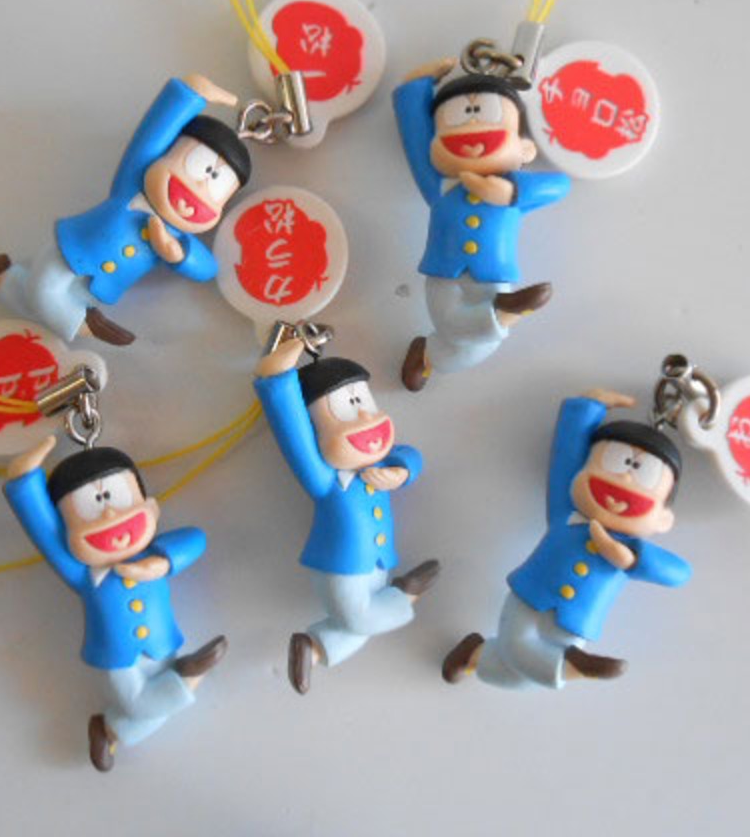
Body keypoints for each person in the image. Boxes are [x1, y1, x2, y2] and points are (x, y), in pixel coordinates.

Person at [0, 74, 250, 345]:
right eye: (199, 168)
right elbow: (153, 132)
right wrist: (191, 92)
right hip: (73, 250)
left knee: (37, 306)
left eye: (217, 187)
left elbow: (208, 268)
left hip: (101, 285)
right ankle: (84, 323)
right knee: (44, 290)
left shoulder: (177, 237)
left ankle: (1, 276)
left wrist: (177, 253)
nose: (196, 190)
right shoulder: (134, 183)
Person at [442, 389, 690, 690]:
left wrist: (631, 558)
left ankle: (475, 654)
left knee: (520, 679)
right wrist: (588, 407)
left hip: (577, 618)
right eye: (616, 462)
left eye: (643, 475)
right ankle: (575, 668)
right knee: (518, 647)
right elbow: (567, 453)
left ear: (664, 519)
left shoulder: (629, 549)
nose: (625, 478)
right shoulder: (566, 512)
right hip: (531, 595)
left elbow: (680, 573)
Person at [3, 436, 225, 771]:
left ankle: (111, 729)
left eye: (117, 499)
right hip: (116, 656)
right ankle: (187, 676)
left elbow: (194, 538)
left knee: (142, 709)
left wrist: (162, 562)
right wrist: (24, 480)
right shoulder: (82, 573)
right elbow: (45, 533)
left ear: (150, 507)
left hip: (161, 643)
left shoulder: (152, 553)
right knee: (137, 705)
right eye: (91, 508)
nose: (108, 512)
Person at [254, 339, 440, 694]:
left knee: (358, 626)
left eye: (363, 401)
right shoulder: (324, 478)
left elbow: (410, 454)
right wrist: (277, 379)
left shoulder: (380, 464)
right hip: (342, 563)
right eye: (349, 407)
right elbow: (293, 436)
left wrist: (402, 470)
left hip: (380, 561)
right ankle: (406, 594)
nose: (365, 416)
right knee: (360, 618)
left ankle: (314, 649)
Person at [393, 57, 570, 390]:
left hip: (493, 274)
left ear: (526, 149)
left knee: (468, 341)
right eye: (456, 121)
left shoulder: (513, 192)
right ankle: (504, 314)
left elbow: (560, 184)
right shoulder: (439, 185)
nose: (472, 131)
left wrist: (511, 191)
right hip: (444, 271)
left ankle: (429, 354)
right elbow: (414, 134)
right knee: (455, 326)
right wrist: (418, 85)